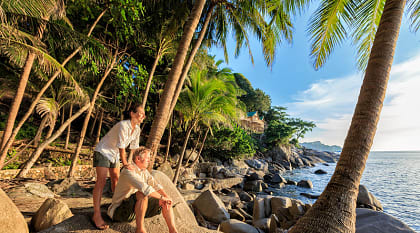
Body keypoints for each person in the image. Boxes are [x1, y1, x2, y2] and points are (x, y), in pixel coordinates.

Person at [91, 104, 145, 230]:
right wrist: (126, 164)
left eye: (144, 115)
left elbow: (133, 149)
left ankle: (115, 207)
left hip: (114, 154)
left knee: (116, 180)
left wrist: (135, 165)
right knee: (102, 180)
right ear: (132, 113)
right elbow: (122, 149)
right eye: (140, 113)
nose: (142, 116)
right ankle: (96, 214)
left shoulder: (137, 129)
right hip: (103, 151)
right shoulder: (122, 125)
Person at [107, 147, 178, 233]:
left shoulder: (144, 171)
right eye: (147, 158)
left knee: (165, 201)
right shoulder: (128, 171)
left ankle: (173, 231)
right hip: (119, 211)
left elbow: (155, 185)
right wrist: (162, 197)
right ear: (138, 158)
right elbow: (145, 188)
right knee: (142, 193)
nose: (149, 160)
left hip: (134, 208)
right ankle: (140, 230)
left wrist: (166, 197)